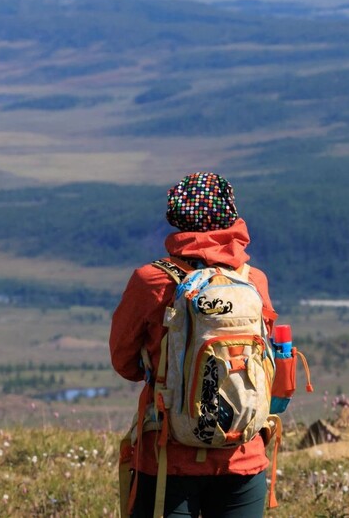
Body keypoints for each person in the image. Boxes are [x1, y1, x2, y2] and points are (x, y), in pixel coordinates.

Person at [110, 172, 276, 518]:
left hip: (168, 456)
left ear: (177, 218)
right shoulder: (253, 281)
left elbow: (124, 362)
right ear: (231, 215)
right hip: (243, 455)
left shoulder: (151, 280)